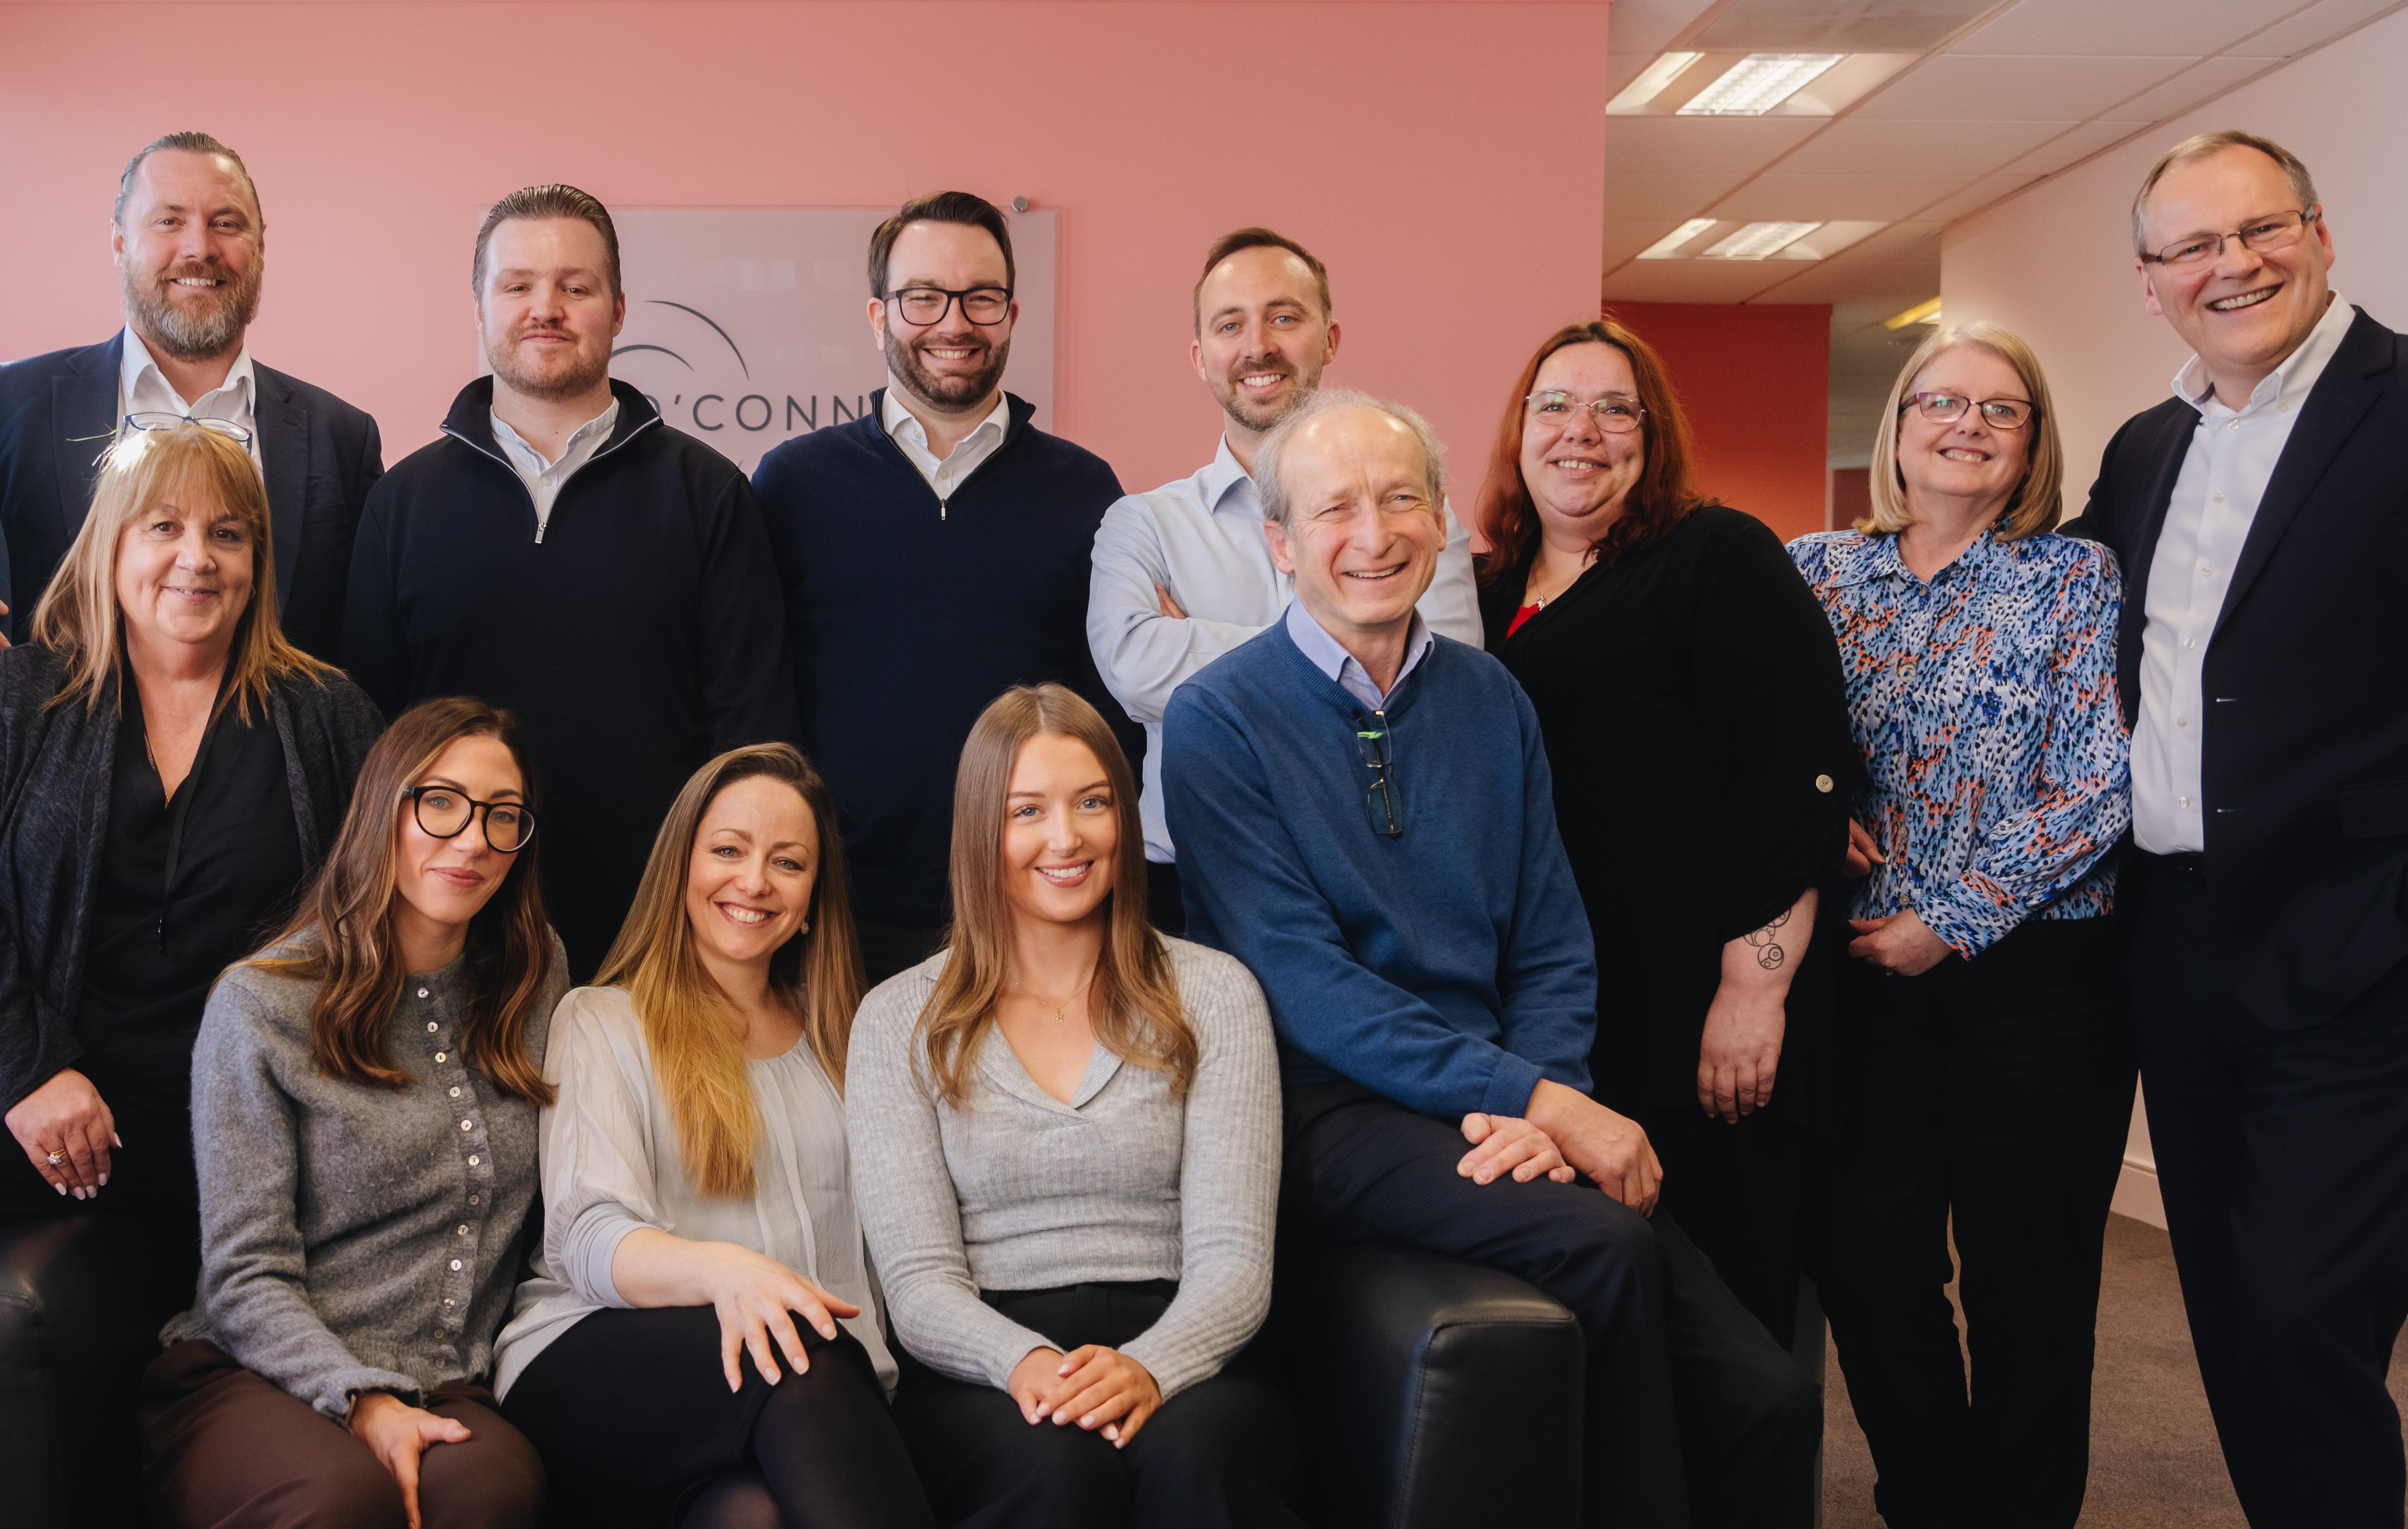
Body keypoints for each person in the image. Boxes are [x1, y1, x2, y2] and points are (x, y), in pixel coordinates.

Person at [1164, 389, 1818, 1529]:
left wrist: (1544, 1092)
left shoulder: (1492, 701)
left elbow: (1551, 937)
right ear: (1279, 543)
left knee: (1765, 1394)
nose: (1372, 534)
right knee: (1601, 1244)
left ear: (1438, 521)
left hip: (1502, 1089)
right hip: (1329, 1108)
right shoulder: (1219, 719)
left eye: (1400, 498)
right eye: (1332, 510)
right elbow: (1304, 989)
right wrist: (1538, 1103)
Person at [2059, 129, 2408, 1529]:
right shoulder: (2149, 447)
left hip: (2360, 942)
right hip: (2174, 945)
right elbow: (2058, 646)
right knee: (2226, 1308)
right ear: (2149, 281)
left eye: (2260, 231)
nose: (2234, 265)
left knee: (2306, 1304)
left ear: (2320, 235)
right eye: (2194, 247)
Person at [1790, 322, 2131, 1529]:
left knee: (2027, 1288)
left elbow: (2098, 782)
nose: (1965, 426)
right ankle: (1932, 1503)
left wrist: (1950, 916)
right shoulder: (1813, 571)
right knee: (1867, 1264)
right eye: (1940, 401)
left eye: (2000, 410)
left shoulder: (2071, 577)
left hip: (2032, 981)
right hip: (1857, 981)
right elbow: (1754, 737)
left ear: (2031, 441)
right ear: (1895, 424)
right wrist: (1802, 813)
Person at [1474, 317, 1854, 1349]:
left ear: (1653, 433)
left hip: (1704, 1010)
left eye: (1614, 408)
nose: (1581, 430)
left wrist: (1755, 985)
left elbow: (1800, 780)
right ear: (1519, 431)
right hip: (1563, 1006)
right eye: (1554, 404)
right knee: (1598, 1307)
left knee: (1725, 1310)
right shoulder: (1482, 590)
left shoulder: (1717, 557)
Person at [848, 684, 1299, 1528]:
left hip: (1184, 1345)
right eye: (1028, 810)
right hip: (988, 1364)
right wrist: (1026, 1364)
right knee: (1055, 1472)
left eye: (1092, 803)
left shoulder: (1215, 995)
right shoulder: (897, 1020)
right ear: (983, 828)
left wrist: (1152, 1367)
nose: (1066, 838)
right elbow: (915, 1283)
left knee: (1191, 1458)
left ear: (1125, 820)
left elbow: (1235, 1257)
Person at [344, 184, 798, 979]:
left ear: (618, 309)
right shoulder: (402, 502)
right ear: (480, 305)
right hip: (450, 935)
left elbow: (750, 736)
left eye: (575, 287)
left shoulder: (708, 494)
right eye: (517, 285)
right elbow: (368, 739)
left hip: (655, 939)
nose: (544, 308)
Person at [139, 696, 566, 1529]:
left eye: (503, 817)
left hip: (446, 1376)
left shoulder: (533, 972)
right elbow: (242, 1272)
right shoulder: (262, 1002)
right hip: (253, 1370)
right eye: (440, 803)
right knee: (342, 1498)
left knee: (490, 1488)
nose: (473, 840)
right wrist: (361, 1400)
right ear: (384, 809)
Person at [496, 743, 930, 1529]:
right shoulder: (603, 1020)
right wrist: (728, 1272)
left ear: (813, 896)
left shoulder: (851, 1047)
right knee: (805, 1350)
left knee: (753, 1517)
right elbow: (588, 1239)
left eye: (787, 862)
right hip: (594, 1358)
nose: (754, 881)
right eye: (727, 850)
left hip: (790, 1394)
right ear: (681, 867)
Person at [0, 421, 380, 1317]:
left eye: (227, 533)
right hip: (52, 1118)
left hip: (261, 1139)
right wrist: (27, 1072)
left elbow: (379, 925)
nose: (196, 559)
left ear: (256, 561)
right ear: (112, 546)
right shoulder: (22, 701)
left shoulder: (329, 716)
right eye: (163, 527)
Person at [754, 191, 1130, 984]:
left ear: (1012, 313)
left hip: (1026, 903)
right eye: (923, 297)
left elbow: (1109, 709)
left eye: (980, 298)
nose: (954, 323)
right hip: (837, 912)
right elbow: (758, 688)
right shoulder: (795, 483)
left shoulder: (1084, 489)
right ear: (878, 313)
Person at [1086, 228, 1480, 931]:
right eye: (1230, 324)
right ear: (1200, 355)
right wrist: (1357, 650)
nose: (1257, 345)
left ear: (1329, 339)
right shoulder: (1142, 524)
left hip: (1380, 882)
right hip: (1184, 891)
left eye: (1284, 317)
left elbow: (1438, 689)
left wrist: (1214, 657)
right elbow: (1135, 670)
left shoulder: (1417, 515)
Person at [0, 131, 381, 659]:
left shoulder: (342, 436)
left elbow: (365, 642)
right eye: (169, 221)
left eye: (226, 224)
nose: (200, 248)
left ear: (261, 247)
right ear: (119, 242)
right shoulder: (12, 406)